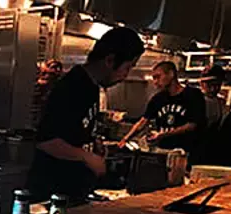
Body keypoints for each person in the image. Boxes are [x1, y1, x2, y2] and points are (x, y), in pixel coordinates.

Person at [28, 27, 145, 203]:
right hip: (51, 195)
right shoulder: (73, 86)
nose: (125, 75)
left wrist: (93, 143)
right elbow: (46, 141)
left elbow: (73, 131)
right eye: (127, 67)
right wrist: (86, 156)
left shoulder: (92, 87)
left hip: (73, 193)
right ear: (110, 60)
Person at [120, 61, 207, 164]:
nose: (155, 82)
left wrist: (162, 135)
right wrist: (125, 139)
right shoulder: (158, 99)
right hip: (162, 153)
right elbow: (143, 121)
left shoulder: (193, 95)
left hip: (186, 153)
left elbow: (191, 125)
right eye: (154, 78)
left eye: (158, 77)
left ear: (171, 74)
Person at [199, 65, 227, 164]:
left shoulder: (221, 102)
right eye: (209, 85)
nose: (213, 89)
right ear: (201, 84)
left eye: (217, 85)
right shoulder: (196, 101)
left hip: (213, 148)